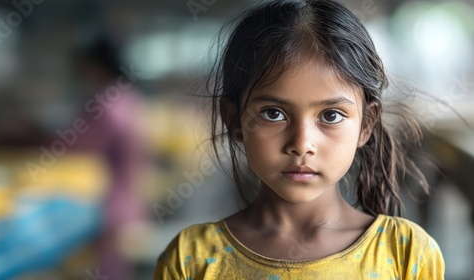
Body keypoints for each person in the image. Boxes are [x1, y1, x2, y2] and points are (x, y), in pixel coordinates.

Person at [154, 0, 445, 279]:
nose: (302, 143)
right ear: (234, 120)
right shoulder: (190, 259)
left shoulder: (407, 254)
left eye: (330, 116)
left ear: (366, 124)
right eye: (273, 113)